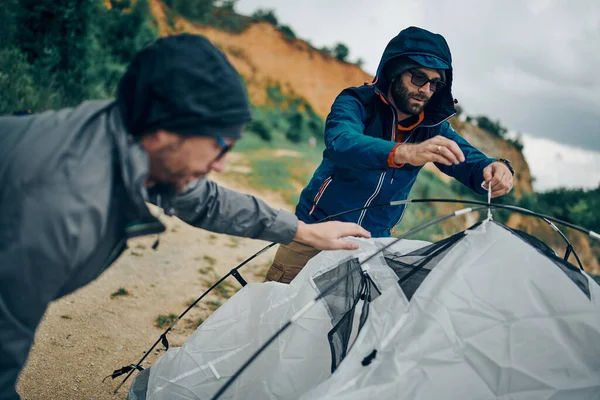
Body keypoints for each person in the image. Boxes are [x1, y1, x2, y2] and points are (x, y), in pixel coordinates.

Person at [0, 34, 370, 399]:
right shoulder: (62, 207)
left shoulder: (124, 130)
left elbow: (206, 201)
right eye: (219, 146)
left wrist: (303, 232)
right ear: (163, 134)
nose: (222, 165)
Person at [265, 26, 514, 284]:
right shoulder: (356, 102)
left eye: (435, 83)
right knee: (275, 314)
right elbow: (342, 142)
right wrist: (404, 152)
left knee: (342, 323)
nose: (426, 89)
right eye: (418, 78)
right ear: (395, 72)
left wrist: (496, 167)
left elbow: (471, 162)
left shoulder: (432, 127)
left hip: (373, 246)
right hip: (315, 230)